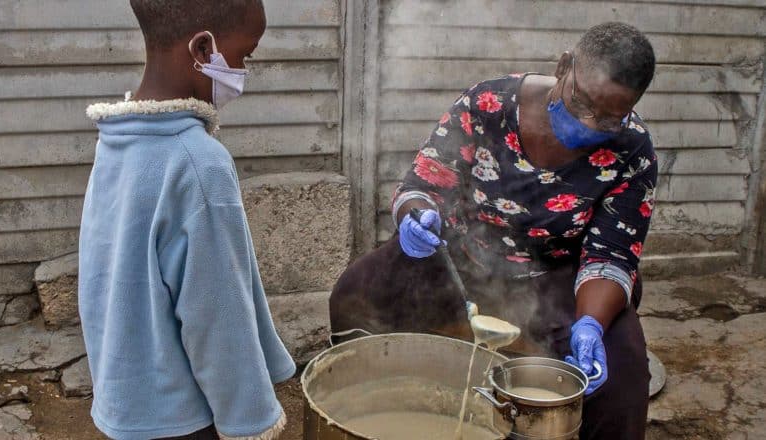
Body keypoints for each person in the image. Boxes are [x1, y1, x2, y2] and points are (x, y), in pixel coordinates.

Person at [330, 22, 656, 439]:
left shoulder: (632, 149)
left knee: (622, 379)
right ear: (563, 67)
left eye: (610, 118)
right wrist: (417, 214)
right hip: (459, 257)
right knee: (356, 291)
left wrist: (590, 323)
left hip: (558, 277)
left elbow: (611, 254)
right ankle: (363, 407)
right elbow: (423, 184)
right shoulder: (487, 104)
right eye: (583, 102)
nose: (591, 124)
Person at [79, 1, 295, 439]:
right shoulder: (198, 163)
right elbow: (217, 316)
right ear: (202, 47)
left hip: (127, 405)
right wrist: (250, 422)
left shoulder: (120, 141)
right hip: (184, 420)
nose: (243, 71)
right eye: (244, 56)